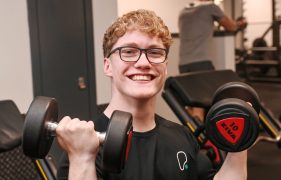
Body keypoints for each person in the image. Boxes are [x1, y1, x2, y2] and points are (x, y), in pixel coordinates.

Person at [55, 9, 247, 180]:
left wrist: (240, 143)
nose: (143, 62)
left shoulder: (182, 135)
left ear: (164, 67)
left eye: (155, 52)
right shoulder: (86, 145)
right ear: (108, 66)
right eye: (129, 52)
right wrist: (82, 158)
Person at [178, 0, 247, 73]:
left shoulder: (183, 12)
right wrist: (239, 23)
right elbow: (231, 27)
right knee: (214, 83)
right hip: (201, 63)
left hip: (183, 64)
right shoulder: (211, 7)